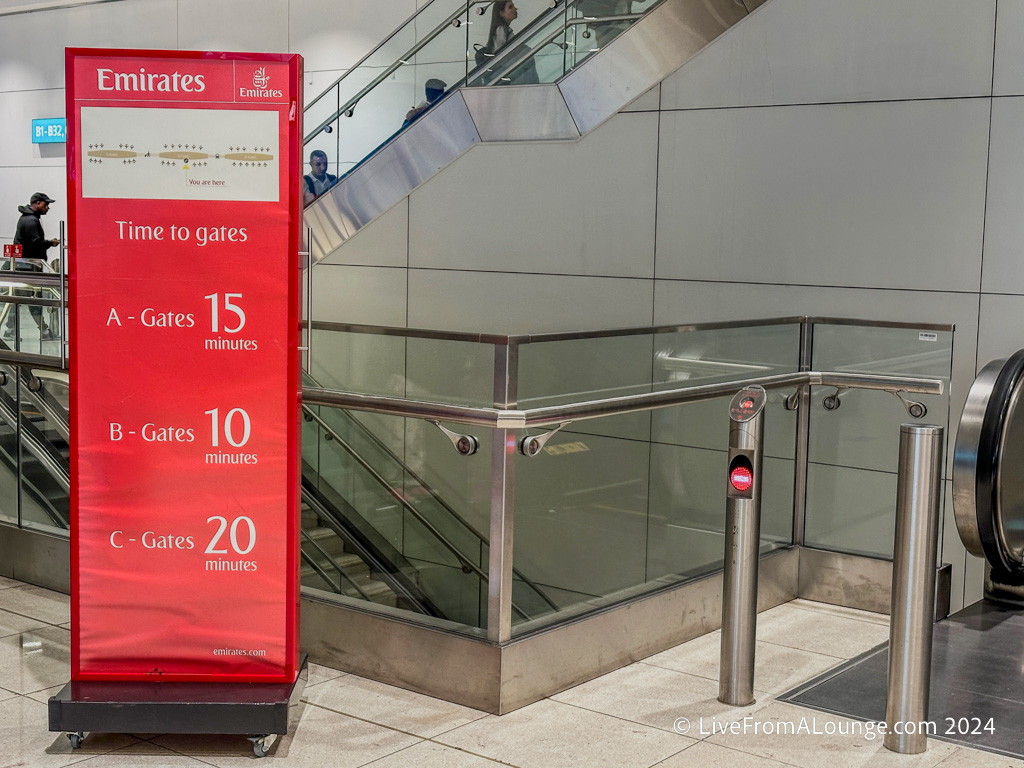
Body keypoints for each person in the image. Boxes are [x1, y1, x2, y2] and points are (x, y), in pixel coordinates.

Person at [10, 192, 59, 339]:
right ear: (37, 203)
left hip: (22, 265)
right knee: (33, 298)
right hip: (27, 267)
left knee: (16, 300)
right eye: (46, 204)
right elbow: (35, 244)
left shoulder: (28, 218)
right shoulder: (31, 221)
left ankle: (10, 330)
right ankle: (44, 331)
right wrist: (51, 243)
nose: (48, 208)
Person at [479, 1, 538, 84]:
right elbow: (500, 55)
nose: (515, 8)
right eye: (510, 7)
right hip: (506, 72)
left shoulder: (503, 30)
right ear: (501, 13)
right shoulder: (501, 30)